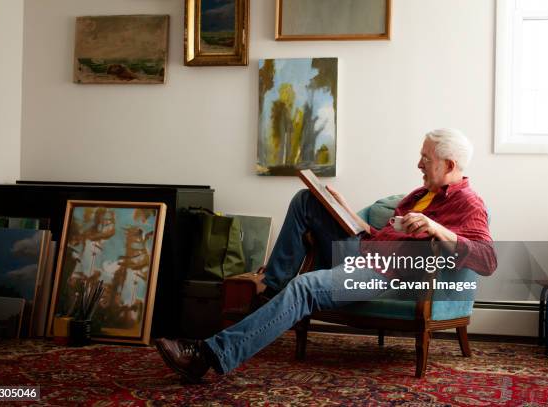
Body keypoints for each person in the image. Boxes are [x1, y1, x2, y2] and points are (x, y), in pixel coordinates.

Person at [156, 128, 497, 383]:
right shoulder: (420, 194)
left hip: (382, 275)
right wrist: (342, 207)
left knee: (305, 287)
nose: (418, 164)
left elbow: (487, 259)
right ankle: (273, 287)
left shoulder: (468, 204)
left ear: (449, 164)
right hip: (363, 251)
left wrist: (438, 229)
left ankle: (208, 354)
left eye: (426, 158)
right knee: (307, 200)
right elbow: (379, 237)